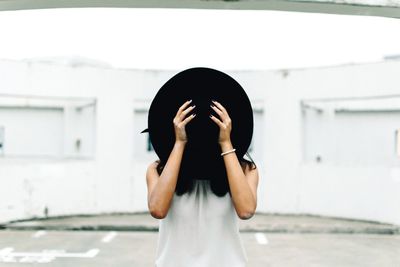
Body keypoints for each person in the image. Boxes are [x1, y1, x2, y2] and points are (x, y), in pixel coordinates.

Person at [146, 99, 259, 267]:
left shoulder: (246, 169)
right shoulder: (157, 169)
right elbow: (157, 209)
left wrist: (225, 142)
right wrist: (180, 142)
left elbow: (246, 211)